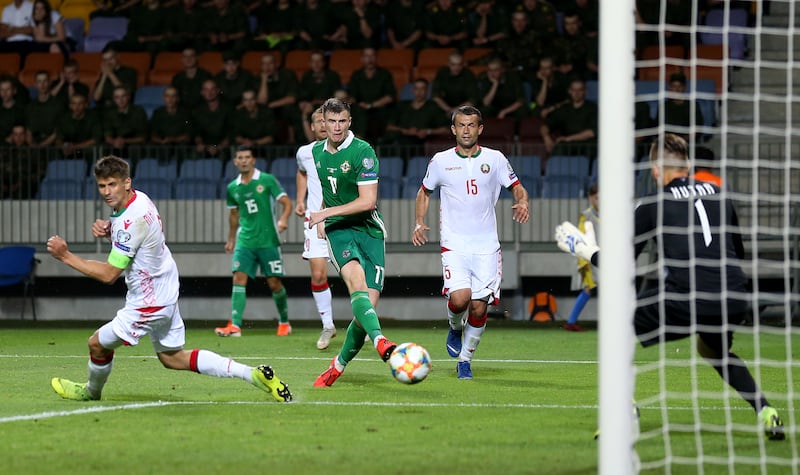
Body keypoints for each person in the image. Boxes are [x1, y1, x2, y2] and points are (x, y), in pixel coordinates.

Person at [554, 133, 785, 441]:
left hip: (686, 297)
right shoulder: (719, 193)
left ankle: (625, 414)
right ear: (687, 164)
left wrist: (583, 248)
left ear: (654, 170)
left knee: (615, 329)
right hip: (732, 296)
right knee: (714, 351)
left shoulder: (652, 204)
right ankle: (766, 411)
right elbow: (737, 252)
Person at [47, 155, 292, 403]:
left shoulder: (129, 221)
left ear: (126, 182)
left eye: (112, 184)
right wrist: (111, 230)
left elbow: (109, 274)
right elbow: (136, 235)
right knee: (173, 358)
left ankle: (91, 392)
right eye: (102, 186)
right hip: (166, 290)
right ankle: (252, 374)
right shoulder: (140, 199)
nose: (107, 192)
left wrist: (65, 256)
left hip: (148, 302)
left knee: (97, 344)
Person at [411, 105, 530, 379]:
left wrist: (522, 201)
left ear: (480, 129)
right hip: (454, 243)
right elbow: (424, 192)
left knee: (479, 306)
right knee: (460, 298)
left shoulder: (496, 159)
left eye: (471, 125)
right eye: (461, 125)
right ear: (453, 130)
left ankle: (465, 359)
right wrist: (419, 222)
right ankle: (454, 327)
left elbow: (517, 186)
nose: (466, 130)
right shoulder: (440, 161)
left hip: (487, 245)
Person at [308, 97, 398, 387]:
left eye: (341, 121)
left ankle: (337, 366)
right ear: (323, 122)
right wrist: (326, 218)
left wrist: (323, 213)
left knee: (364, 312)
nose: (336, 127)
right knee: (356, 283)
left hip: (369, 230)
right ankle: (381, 341)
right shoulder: (318, 153)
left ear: (349, 122)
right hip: (339, 231)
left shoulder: (363, 152)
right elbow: (329, 188)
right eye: (330, 121)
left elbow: (368, 201)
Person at [215, 145, 293, 338]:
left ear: (253, 160)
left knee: (274, 283)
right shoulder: (233, 187)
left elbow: (286, 202)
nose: (243, 160)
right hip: (245, 241)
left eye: (247, 157)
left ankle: (284, 322)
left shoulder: (266, 180)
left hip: (268, 240)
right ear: (235, 161)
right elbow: (234, 215)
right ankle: (235, 326)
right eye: (240, 157)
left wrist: (283, 219)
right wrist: (231, 239)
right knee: (238, 278)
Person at [295, 107, 336, 350]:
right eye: (318, 121)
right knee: (318, 274)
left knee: (354, 277)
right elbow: (302, 173)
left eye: (326, 120)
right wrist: (300, 199)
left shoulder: (344, 150)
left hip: (341, 219)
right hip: (314, 221)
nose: (323, 125)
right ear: (312, 126)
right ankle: (328, 325)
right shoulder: (304, 152)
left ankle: (363, 323)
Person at [563, 182, 598, 332]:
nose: (600, 201)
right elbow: (581, 240)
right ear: (590, 198)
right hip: (590, 260)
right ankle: (571, 321)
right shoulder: (586, 216)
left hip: (603, 258)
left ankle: (571, 321)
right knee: (590, 289)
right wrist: (583, 261)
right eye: (597, 198)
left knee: (590, 290)